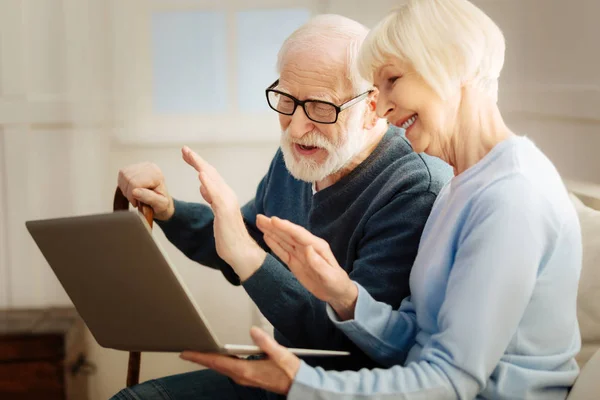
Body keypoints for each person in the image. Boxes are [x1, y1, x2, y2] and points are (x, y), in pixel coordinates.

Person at [179, 1, 583, 399]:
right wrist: (344, 294)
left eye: (391, 80)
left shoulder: (512, 196)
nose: (382, 108)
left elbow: (452, 379)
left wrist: (298, 384)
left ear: (450, 66)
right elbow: (416, 338)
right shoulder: (465, 185)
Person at [110, 14, 452, 400]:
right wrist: (169, 208)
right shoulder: (301, 158)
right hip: (280, 369)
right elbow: (238, 240)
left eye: (322, 107)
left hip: (340, 387)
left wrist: (247, 256)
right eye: (287, 101)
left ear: (372, 105)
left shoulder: (413, 187)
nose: (296, 127)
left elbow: (356, 347)